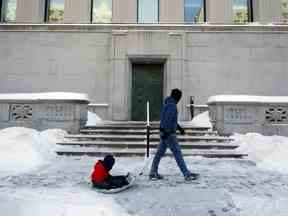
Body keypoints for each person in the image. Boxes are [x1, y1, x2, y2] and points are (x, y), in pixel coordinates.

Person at [149, 88, 198, 181]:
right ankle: (187, 174)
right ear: (177, 97)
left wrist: (179, 128)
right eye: (179, 97)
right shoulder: (172, 106)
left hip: (165, 133)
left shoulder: (167, 104)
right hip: (169, 134)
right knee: (177, 153)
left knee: (159, 153)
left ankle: (153, 172)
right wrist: (166, 132)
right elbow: (167, 120)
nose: (180, 99)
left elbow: (170, 119)